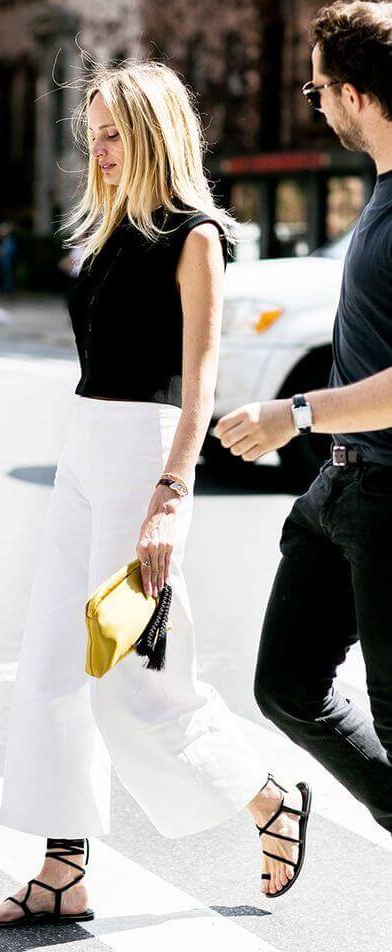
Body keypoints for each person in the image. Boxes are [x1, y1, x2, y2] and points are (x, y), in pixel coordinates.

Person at [0, 60, 312, 930]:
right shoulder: (109, 229)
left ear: (157, 131)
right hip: (87, 446)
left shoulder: (196, 236)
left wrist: (169, 495)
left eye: (117, 132)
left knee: (132, 680)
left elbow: (199, 387)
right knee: (52, 664)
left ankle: (268, 797)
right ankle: (61, 867)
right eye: (94, 133)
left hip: (142, 457)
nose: (102, 149)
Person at [216, 0, 392, 835]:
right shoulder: (382, 188)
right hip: (340, 491)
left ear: (356, 94)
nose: (313, 101)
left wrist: (295, 412)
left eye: (318, 87)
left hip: (390, 497)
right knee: (286, 686)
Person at [0, 222, 18, 294]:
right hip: (4, 263)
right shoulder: (4, 241)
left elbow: (8, 252)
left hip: (8, 263)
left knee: (8, 278)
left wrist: (1, 252)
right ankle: (7, 292)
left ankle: (9, 292)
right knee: (5, 278)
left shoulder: (10, 240)